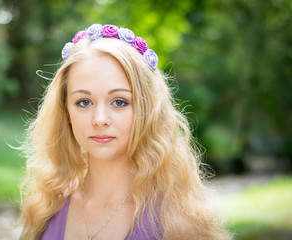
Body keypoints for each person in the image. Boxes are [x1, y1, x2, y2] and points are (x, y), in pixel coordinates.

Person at [19, 24, 231, 240]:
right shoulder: (46, 209)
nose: (99, 119)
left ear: (146, 109)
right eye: (84, 102)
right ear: (66, 111)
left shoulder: (179, 223)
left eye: (119, 102)